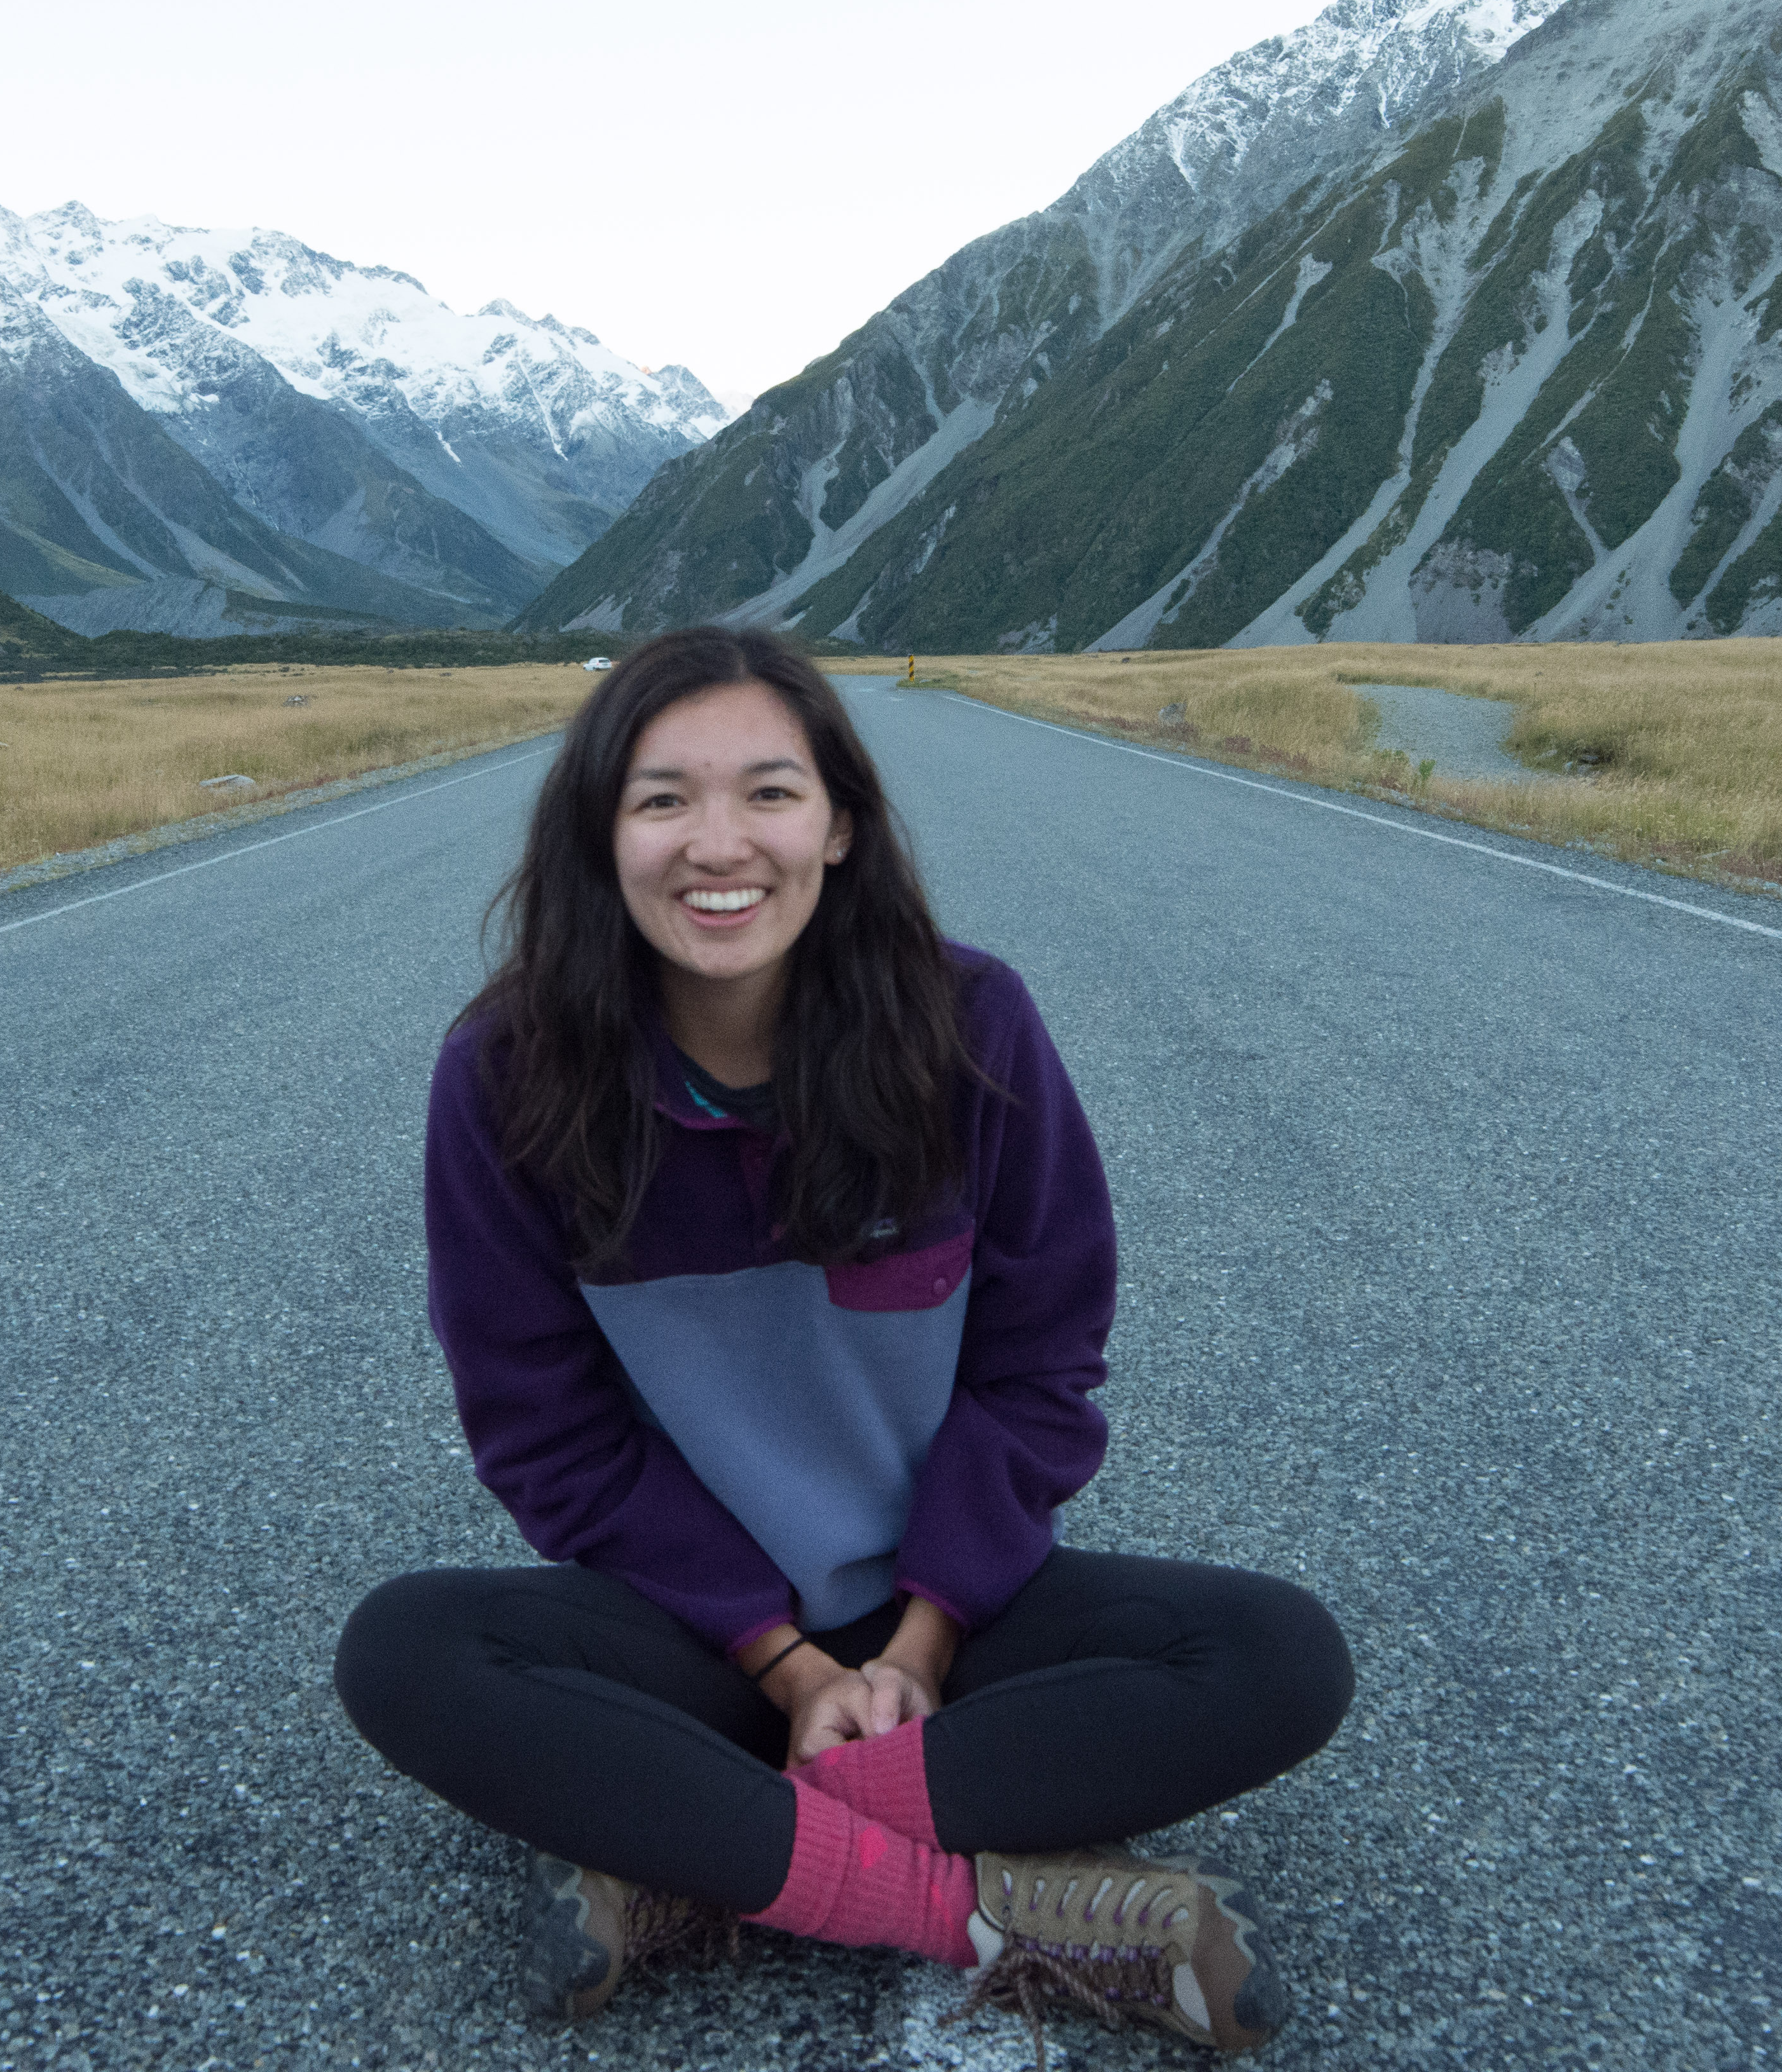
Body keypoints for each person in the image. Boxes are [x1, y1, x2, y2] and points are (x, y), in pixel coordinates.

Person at [334, 625, 1352, 2051]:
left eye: (768, 790)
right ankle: (980, 1908)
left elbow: (1040, 1366)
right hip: (697, 1632)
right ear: (600, 835)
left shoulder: (971, 1026)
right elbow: (546, 1431)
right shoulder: (506, 1078)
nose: (716, 843)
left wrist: (921, 1646)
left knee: (1279, 1656)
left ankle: (691, 1843)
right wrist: (793, 1670)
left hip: (957, 1614)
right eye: (660, 797)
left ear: (841, 825)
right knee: (406, 1651)